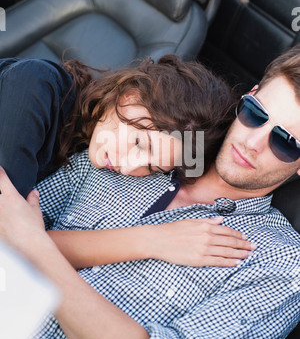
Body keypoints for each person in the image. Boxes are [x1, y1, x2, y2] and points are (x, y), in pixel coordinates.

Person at [0, 45, 300, 339]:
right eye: (256, 113)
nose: (252, 142)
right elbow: (11, 220)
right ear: (249, 95)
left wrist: (34, 244)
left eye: (285, 142)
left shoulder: (282, 262)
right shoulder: (136, 147)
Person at [0, 55, 254, 269]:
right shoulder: (36, 85)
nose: (130, 167)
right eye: (140, 144)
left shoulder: (86, 148)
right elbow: (8, 226)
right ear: (130, 96)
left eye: (152, 167)